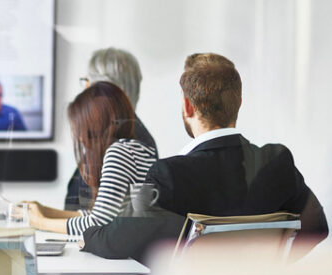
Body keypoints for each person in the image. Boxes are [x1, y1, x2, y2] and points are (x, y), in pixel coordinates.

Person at [82, 53, 329, 261]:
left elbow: (115, 240)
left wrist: (88, 234)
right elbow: (317, 227)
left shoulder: (169, 175)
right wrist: (263, 271)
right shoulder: (276, 161)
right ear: (239, 103)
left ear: (188, 107)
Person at [27, 82, 157, 236]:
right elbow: (101, 215)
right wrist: (44, 211)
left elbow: (98, 224)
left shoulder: (120, 152)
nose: (81, 138)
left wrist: (41, 222)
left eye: (83, 129)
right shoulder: (138, 149)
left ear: (97, 125)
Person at [65, 48, 158, 211]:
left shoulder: (124, 141)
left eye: (87, 82)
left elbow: (98, 219)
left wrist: (43, 220)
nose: (84, 88)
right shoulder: (127, 132)